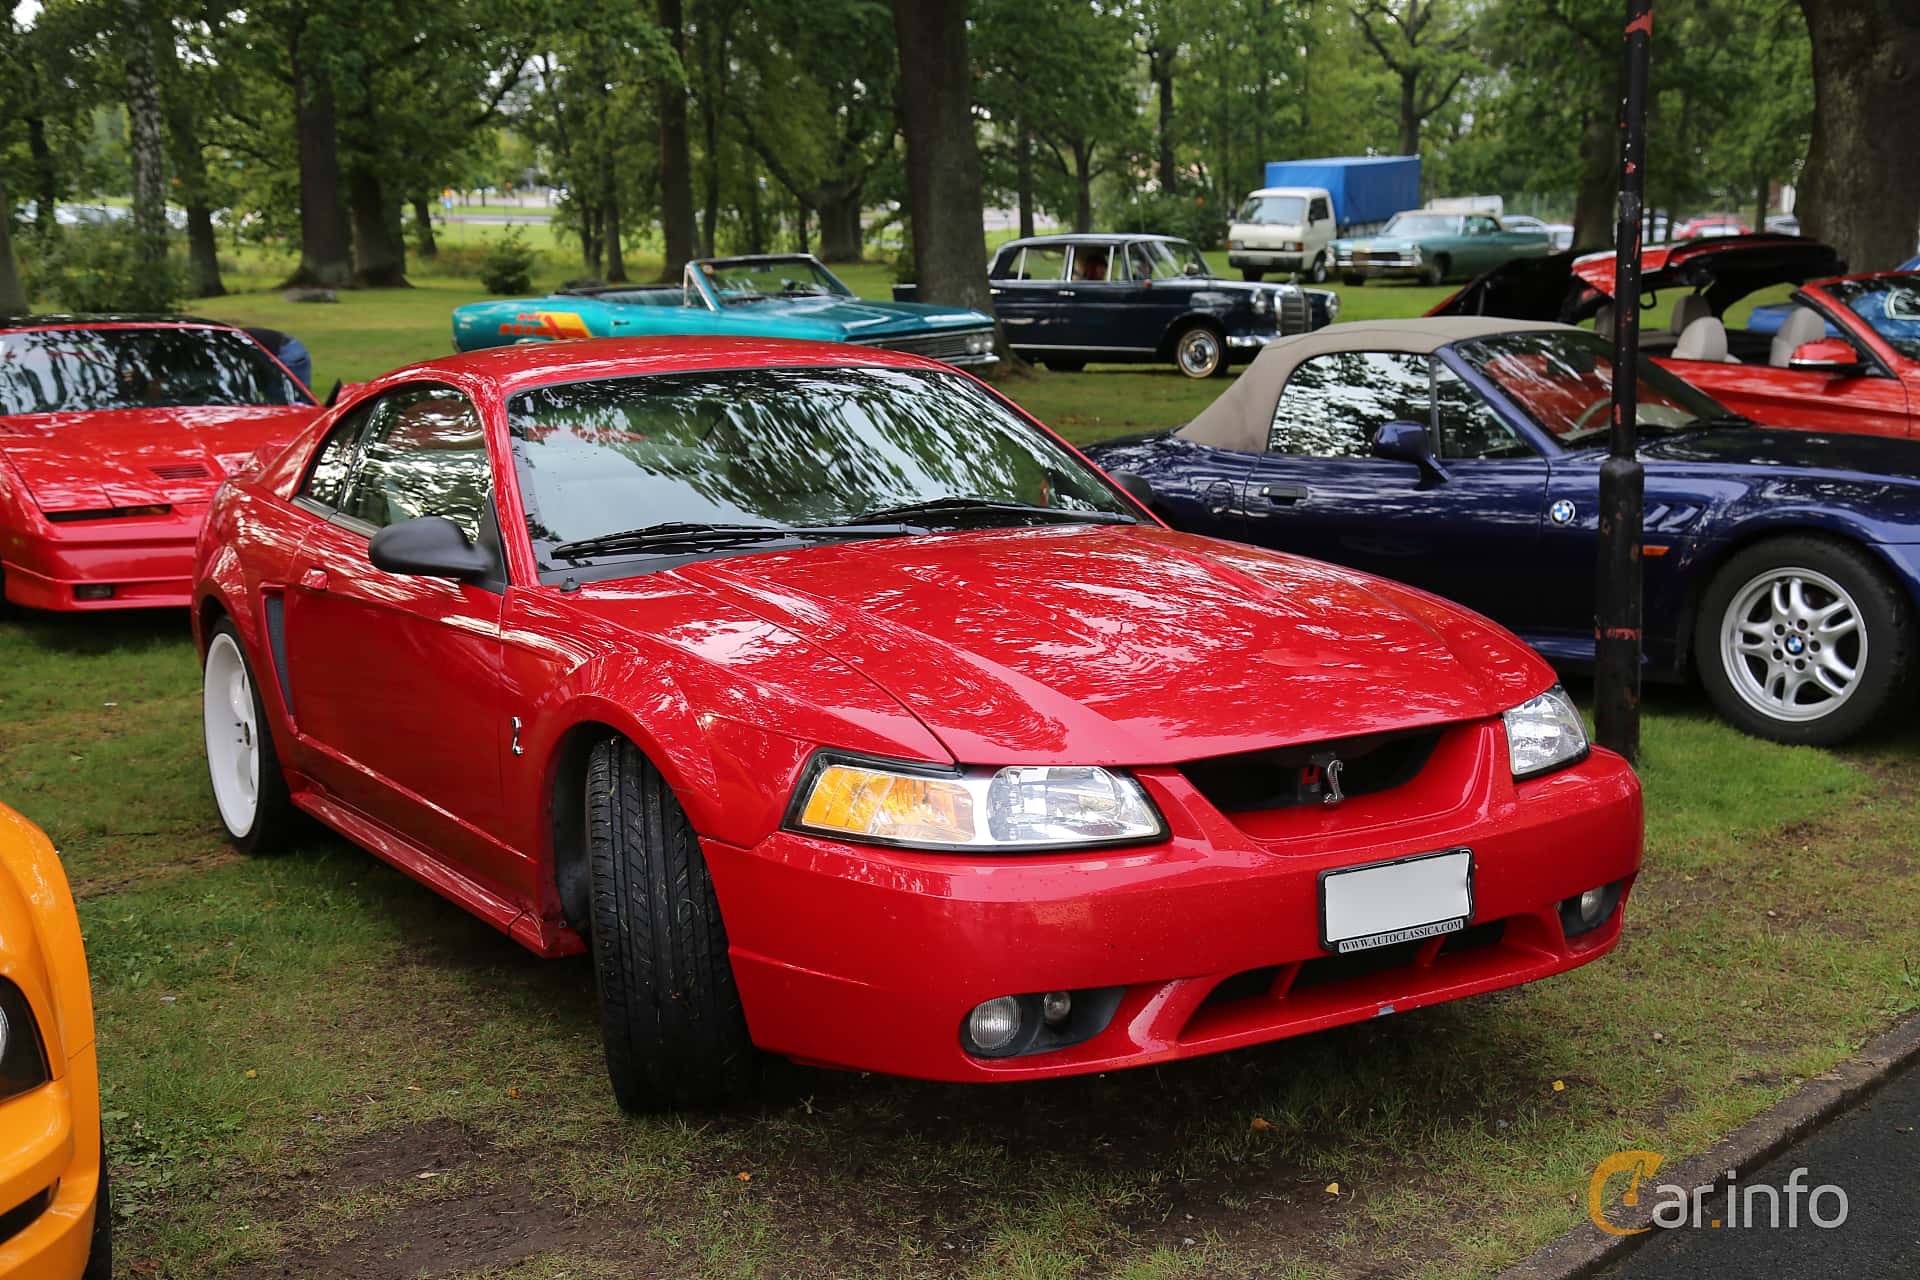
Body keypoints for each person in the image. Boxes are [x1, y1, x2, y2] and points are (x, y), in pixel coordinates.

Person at [243, 327, 313, 393]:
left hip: (285, 353)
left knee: (283, 397)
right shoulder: (239, 336)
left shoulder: (239, 339)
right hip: (289, 348)